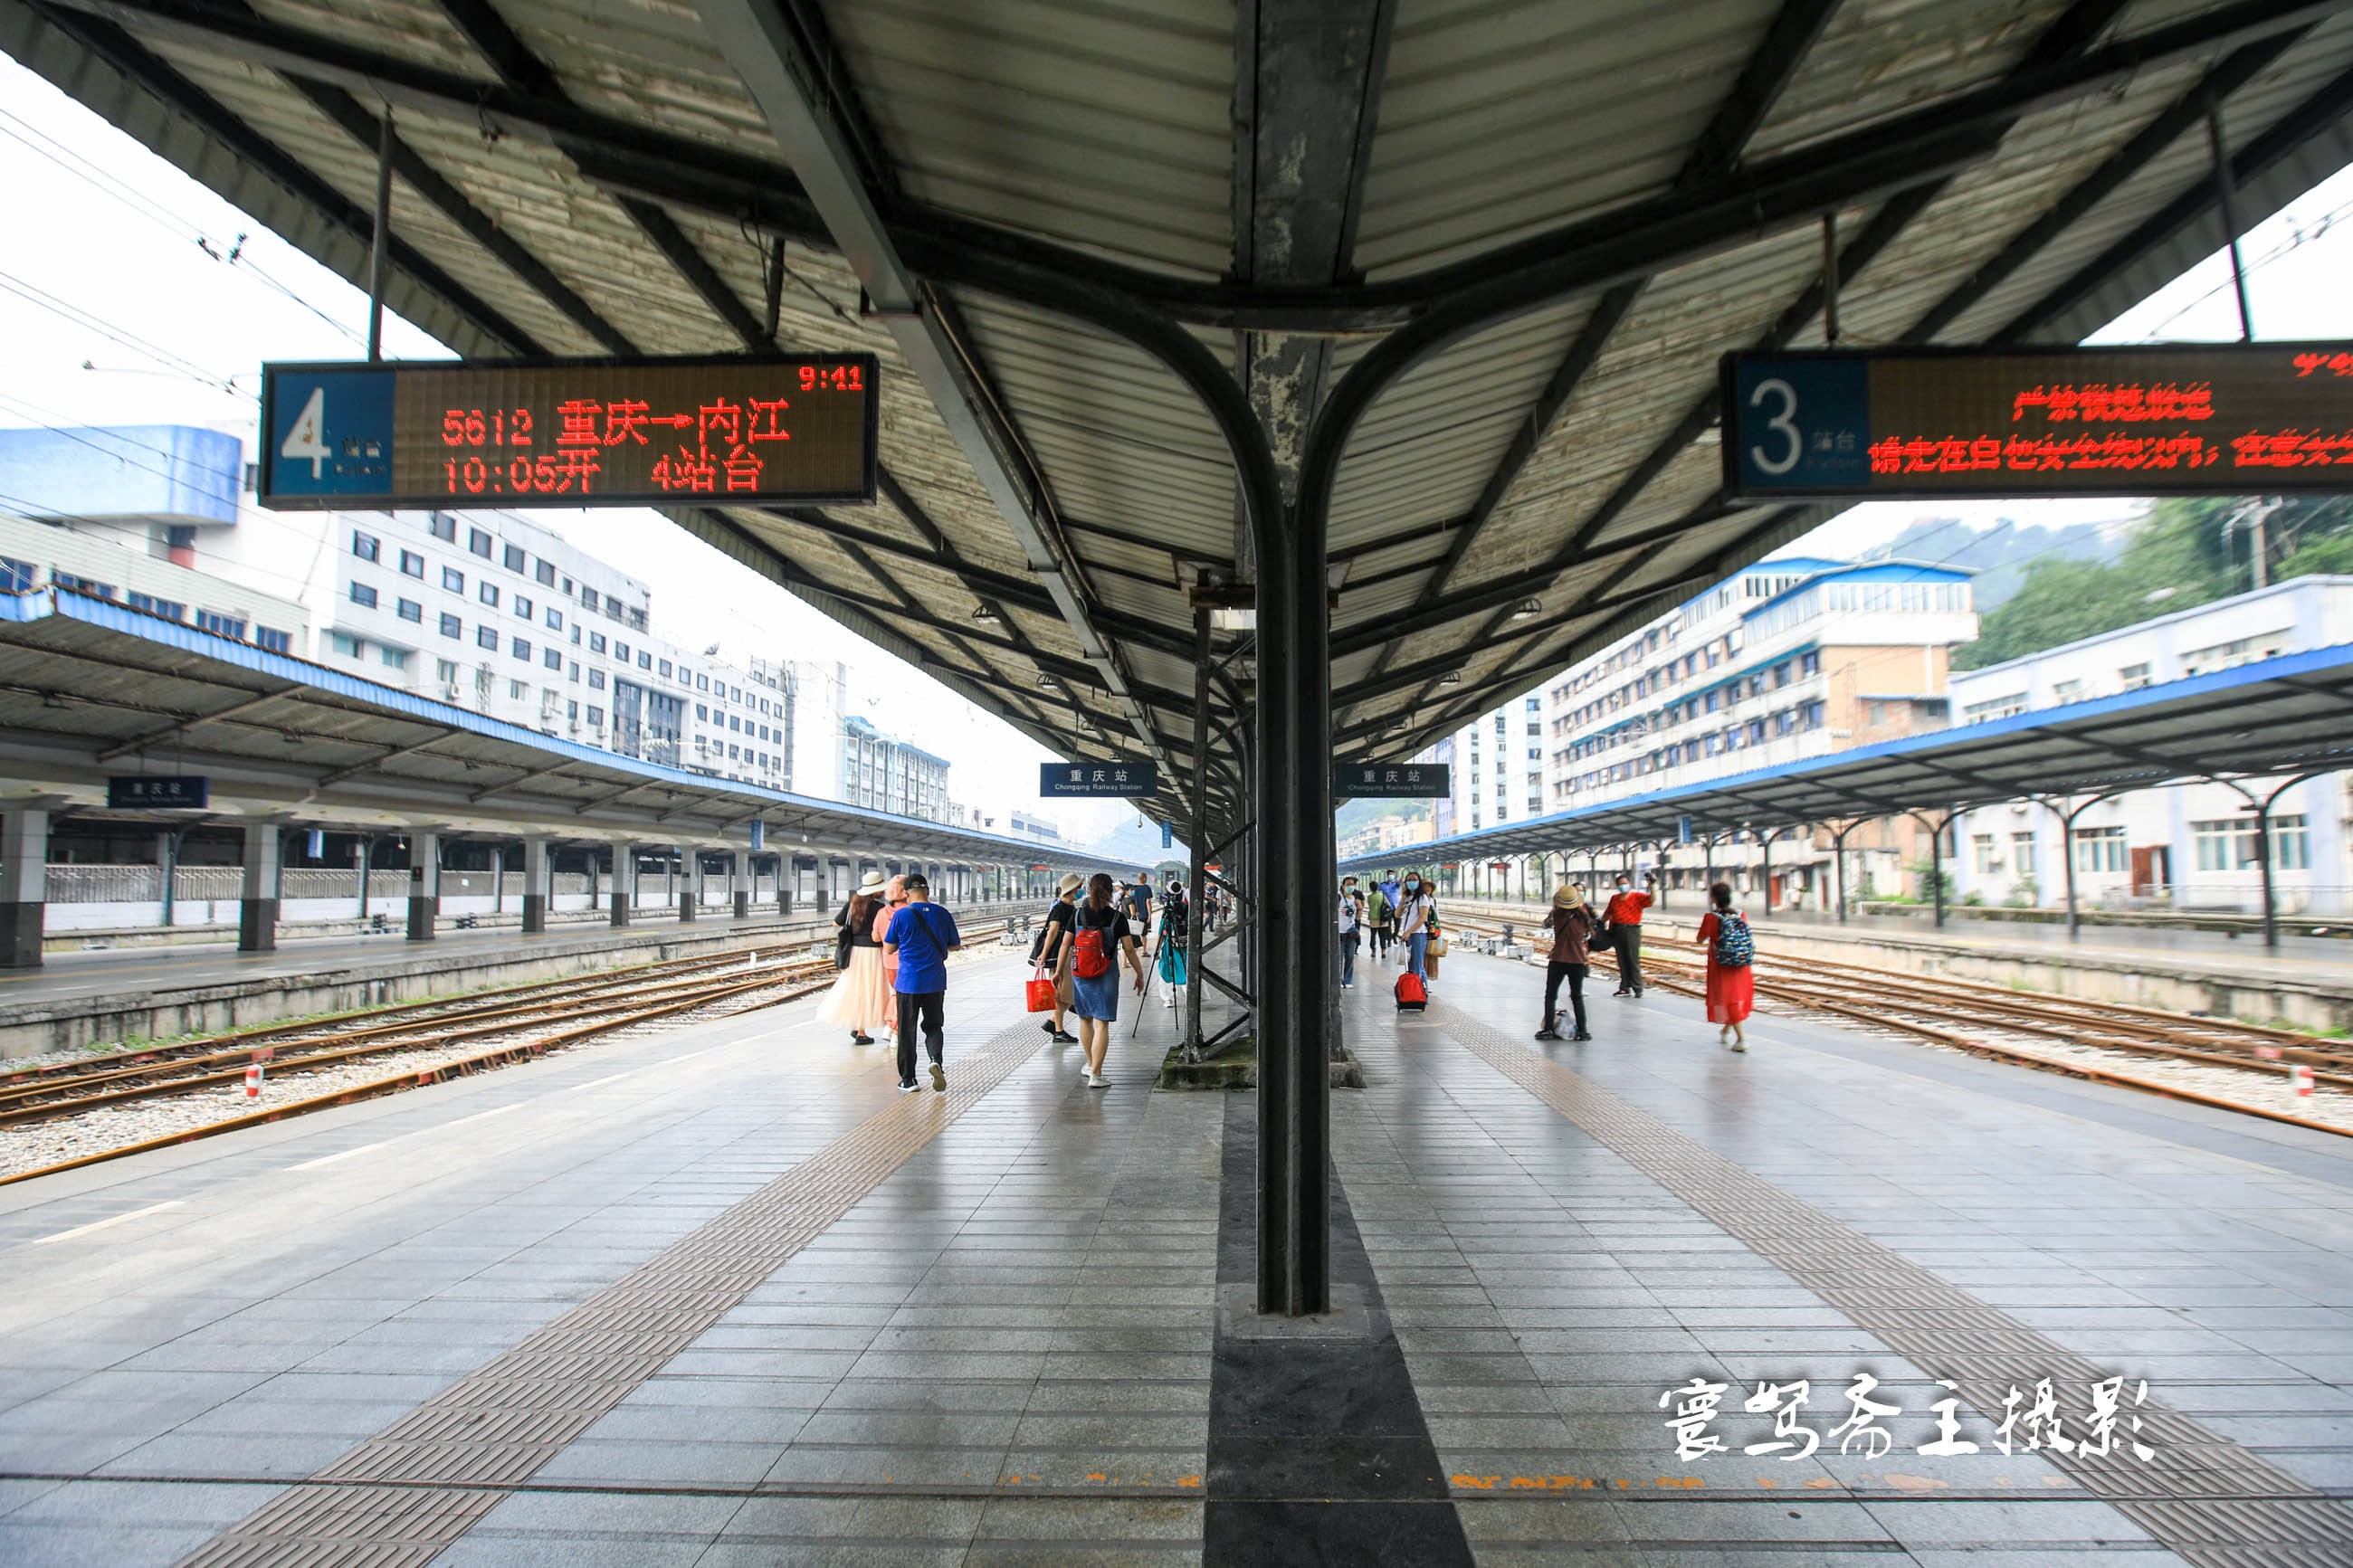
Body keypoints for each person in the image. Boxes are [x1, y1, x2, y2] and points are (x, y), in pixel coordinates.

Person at [883, 872, 962, 1091]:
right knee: (934, 1025)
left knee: (907, 1031)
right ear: (928, 891)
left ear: (907, 894)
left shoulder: (902, 915)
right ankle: (935, 1060)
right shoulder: (942, 913)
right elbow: (955, 945)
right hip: (935, 981)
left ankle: (909, 1080)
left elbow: (889, 948)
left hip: (908, 982)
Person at [1068, 871, 1146, 1087]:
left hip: (1080, 972)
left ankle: (1091, 1064)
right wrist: (1139, 973)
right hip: (1106, 973)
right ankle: (1096, 1073)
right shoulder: (1117, 917)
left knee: (1085, 1019)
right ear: (1110, 892)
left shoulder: (1077, 915)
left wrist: (1057, 973)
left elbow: (1066, 943)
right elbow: (1129, 949)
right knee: (1102, 1023)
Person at [816, 870, 893, 1047]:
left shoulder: (852, 905)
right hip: (873, 953)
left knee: (856, 989)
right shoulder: (880, 908)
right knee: (869, 991)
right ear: (876, 891)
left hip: (854, 952)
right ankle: (861, 1032)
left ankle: (857, 1026)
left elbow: (836, 923)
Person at [1697, 881, 1755, 1051]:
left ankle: (1741, 1039)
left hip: (1721, 965)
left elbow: (1700, 939)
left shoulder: (1711, 917)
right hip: (1741, 963)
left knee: (1730, 1000)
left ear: (1713, 898)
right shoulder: (1740, 914)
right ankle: (1725, 1031)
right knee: (1735, 998)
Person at [1535, 882, 1596, 1042]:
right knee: (1577, 997)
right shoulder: (1584, 918)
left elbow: (1544, 924)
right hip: (1577, 960)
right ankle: (1583, 1032)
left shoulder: (1556, 914)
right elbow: (1587, 937)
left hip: (1558, 959)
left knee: (1550, 995)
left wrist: (1554, 907)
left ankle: (1548, 1028)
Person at [1034, 872, 1081, 1044]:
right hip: (1059, 955)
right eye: (1078, 888)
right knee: (1061, 993)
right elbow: (1052, 931)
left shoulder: (1070, 908)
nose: (1080, 890)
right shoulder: (1060, 908)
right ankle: (1058, 1030)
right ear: (1072, 889)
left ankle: (1053, 1023)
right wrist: (1044, 954)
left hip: (1068, 953)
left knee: (1064, 992)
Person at [1602, 872, 1652, 997]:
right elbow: (1608, 913)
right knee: (1622, 960)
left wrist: (1652, 886)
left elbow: (1652, 900)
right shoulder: (1615, 898)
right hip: (1617, 930)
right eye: (1620, 884)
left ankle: (1637, 987)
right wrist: (1598, 924)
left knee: (1632, 959)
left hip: (1632, 930)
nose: (1622, 886)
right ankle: (1625, 987)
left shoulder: (1637, 897)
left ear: (1629, 884)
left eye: (1624, 883)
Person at [1396, 872, 1434, 981]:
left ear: (1419, 882)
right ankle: (1419, 992)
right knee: (1412, 966)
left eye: (1414, 879)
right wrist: (1402, 899)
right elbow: (1397, 915)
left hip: (1418, 934)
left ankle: (1419, 993)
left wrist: (1408, 932)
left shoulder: (1422, 898)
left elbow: (1423, 918)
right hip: (1408, 935)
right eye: (1409, 880)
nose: (1411, 882)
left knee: (1417, 966)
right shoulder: (1408, 898)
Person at [1157, 879, 1189, 1008]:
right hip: (1183, 944)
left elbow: (1162, 928)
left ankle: (1167, 999)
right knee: (1184, 968)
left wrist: (1158, 946)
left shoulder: (1167, 908)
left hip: (1168, 944)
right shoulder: (1185, 907)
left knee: (1166, 968)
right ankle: (1189, 996)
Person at [1337, 875, 1363, 989]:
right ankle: (1338, 980)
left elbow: (1357, 918)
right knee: (1339, 957)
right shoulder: (1338, 898)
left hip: (1351, 933)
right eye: (1348, 884)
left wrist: (1360, 908)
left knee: (1350, 956)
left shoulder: (1356, 899)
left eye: (1352, 884)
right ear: (1343, 886)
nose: (1350, 886)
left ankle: (1348, 980)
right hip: (1340, 932)